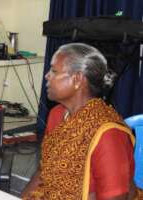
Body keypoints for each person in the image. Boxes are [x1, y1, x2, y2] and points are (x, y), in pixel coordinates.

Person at [21, 43, 136, 200]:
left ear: (77, 79)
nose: (47, 76)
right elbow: (44, 171)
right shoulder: (57, 114)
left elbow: (115, 196)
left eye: (54, 71)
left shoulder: (108, 133)